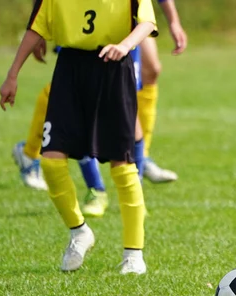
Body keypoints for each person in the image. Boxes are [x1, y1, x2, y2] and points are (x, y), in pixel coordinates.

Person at [0, 0, 157, 274]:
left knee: (122, 164)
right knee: (50, 161)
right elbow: (37, 26)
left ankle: (133, 254)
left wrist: (125, 45)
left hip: (113, 68)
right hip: (69, 71)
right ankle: (79, 231)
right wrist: (13, 74)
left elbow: (147, 23)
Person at [12, 44, 147, 218]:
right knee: (83, 112)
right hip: (82, 37)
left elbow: (147, 21)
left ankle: (138, 191)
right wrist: (40, 33)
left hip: (123, 39)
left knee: (130, 115)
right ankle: (96, 190)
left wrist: (171, 24)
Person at [138, 0, 187, 183]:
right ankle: (43, 158)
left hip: (132, 12)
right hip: (95, 12)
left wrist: (174, 22)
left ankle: (141, 156)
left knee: (151, 70)